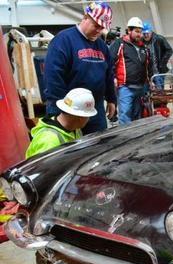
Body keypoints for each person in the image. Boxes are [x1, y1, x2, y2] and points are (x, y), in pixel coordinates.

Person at [43, 1, 116, 135]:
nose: (99, 31)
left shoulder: (102, 46)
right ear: (85, 17)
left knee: (97, 147)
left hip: (95, 109)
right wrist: (59, 110)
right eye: (96, 26)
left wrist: (111, 99)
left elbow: (108, 74)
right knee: (69, 151)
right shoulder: (63, 40)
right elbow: (53, 77)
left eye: (102, 28)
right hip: (68, 109)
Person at [25, 88, 97, 159]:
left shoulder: (74, 129)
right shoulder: (49, 141)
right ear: (80, 117)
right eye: (88, 116)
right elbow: (43, 169)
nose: (89, 119)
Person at [110, 17, 154, 125]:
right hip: (125, 87)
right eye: (137, 31)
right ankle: (125, 140)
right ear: (129, 30)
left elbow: (148, 66)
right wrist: (113, 77)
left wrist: (150, 81)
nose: (140, 34)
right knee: (125, 116)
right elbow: (110, 61)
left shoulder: (144, 48)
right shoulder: (119, 44)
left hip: (140, 87)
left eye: (141, 32)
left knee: (137, 117)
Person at [142, 22, 173, 89]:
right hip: (146, 73)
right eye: (144, 34)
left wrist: (162, 63)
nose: (146, 35)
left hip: (158, 72)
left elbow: (169, 50)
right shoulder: (141, 42)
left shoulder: (159, 39)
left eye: (147, 33)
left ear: (151, 31)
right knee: (146, 93)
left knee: (159, 92)